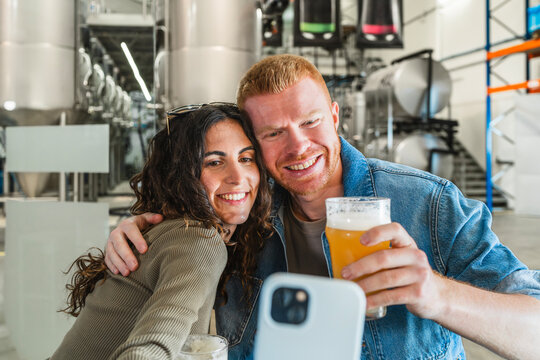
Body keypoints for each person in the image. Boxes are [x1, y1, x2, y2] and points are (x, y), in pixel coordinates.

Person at [105, 55, 540, 360]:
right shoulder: (245, 213)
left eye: (310, 122)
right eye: (273, 133)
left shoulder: (427, 203)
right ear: (255, 145)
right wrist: (144, 231)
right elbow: (185, 226)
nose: (298, 146)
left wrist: (437, 294)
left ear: (335, 116)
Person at [51, 104, 272, 359]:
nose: (237, 176)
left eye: (246, 158)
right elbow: (146, 353)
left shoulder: (179, 231)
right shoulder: (200, 241)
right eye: (214, 162)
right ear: (183, 177)